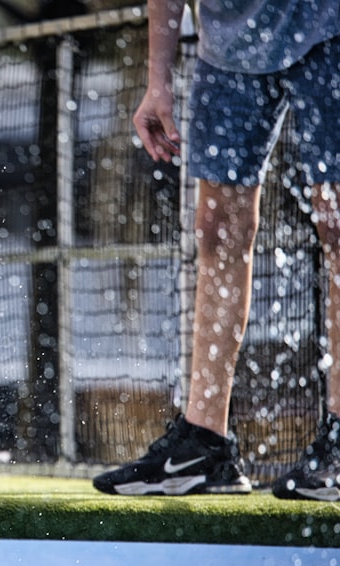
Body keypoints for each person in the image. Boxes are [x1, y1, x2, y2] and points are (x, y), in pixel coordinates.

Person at [93, 0, 340, 500]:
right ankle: (203, 444)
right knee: (216, 230)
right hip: (226, 52)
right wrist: (157, 80)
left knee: (336, 221)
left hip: (328, 33)